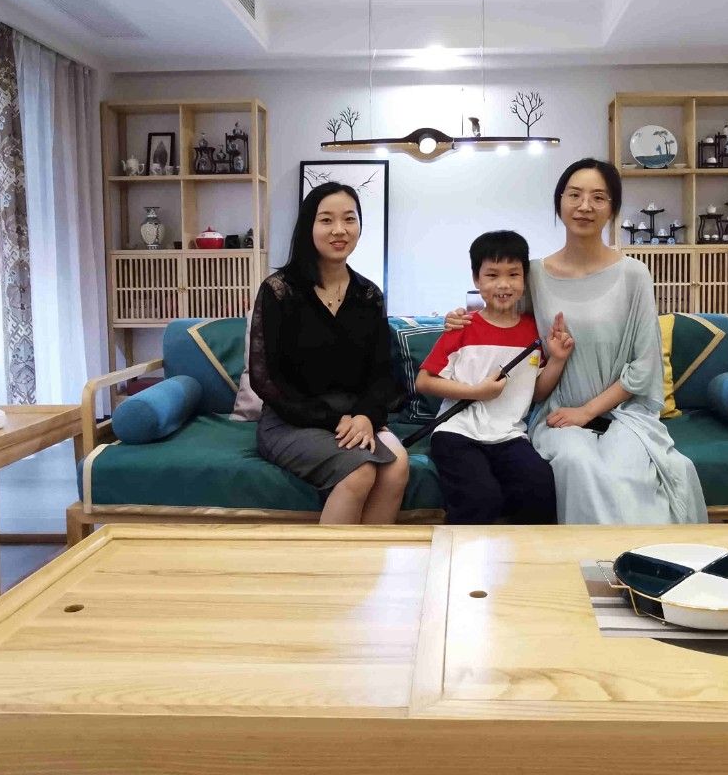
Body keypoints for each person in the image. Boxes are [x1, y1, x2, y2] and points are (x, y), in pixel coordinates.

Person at [445, 158, 704, 525]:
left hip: (624, 414)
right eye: (575, 195)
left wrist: (587, 412)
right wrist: (458, 318)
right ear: (560, 202)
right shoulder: (534, 274)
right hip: (556, 413)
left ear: (612, 208)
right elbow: (499, 315)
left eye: (598, 197)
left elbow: (645, 365)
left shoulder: (634, 275)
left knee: (631, 472)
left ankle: (645, 555)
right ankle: (587, 557)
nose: (585, 206)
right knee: (576, 463)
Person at [248, 182, 410, 524]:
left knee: (396, 467)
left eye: (349, 219)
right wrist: (334, 420)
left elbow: (382, 373)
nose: (339, 230)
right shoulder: (279, 291)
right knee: (359, 471)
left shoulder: (368, 295)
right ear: (309, 227)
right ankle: (332, 560)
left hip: (355, 417)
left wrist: (365, 416)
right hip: (291, 420)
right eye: (326, 220)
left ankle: (370, 558)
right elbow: (267, 380)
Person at [416, 231, 572, 525]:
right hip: (456, 433)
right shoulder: (462, 326)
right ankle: (460, 553)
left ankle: (523, 554)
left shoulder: (533, 331)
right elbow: (424, 381)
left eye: (513, 274)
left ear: (525, 279)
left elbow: (537, 393)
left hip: (509, 435)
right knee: (480, 497)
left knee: (539, 489)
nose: (503, 284)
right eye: (492, 275)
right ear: (476, 279)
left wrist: (558, 359)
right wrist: (477, 392)